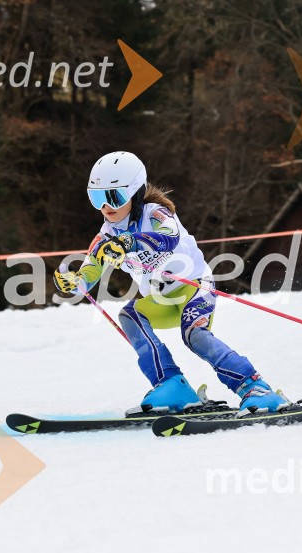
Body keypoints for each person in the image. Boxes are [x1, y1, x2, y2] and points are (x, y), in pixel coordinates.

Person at [52, 151, 289, 416]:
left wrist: (130, 242)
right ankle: (171, 384)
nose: (106, 206)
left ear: (135, 192)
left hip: (194, 287)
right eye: (97, 198)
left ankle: (255, 387)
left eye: (114, 197)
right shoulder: (105, 236)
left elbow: (169, 237)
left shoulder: (156, 213)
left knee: (195, 336)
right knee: (130, 316)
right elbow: (90, 270)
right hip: (161, 299)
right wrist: (75, 281)